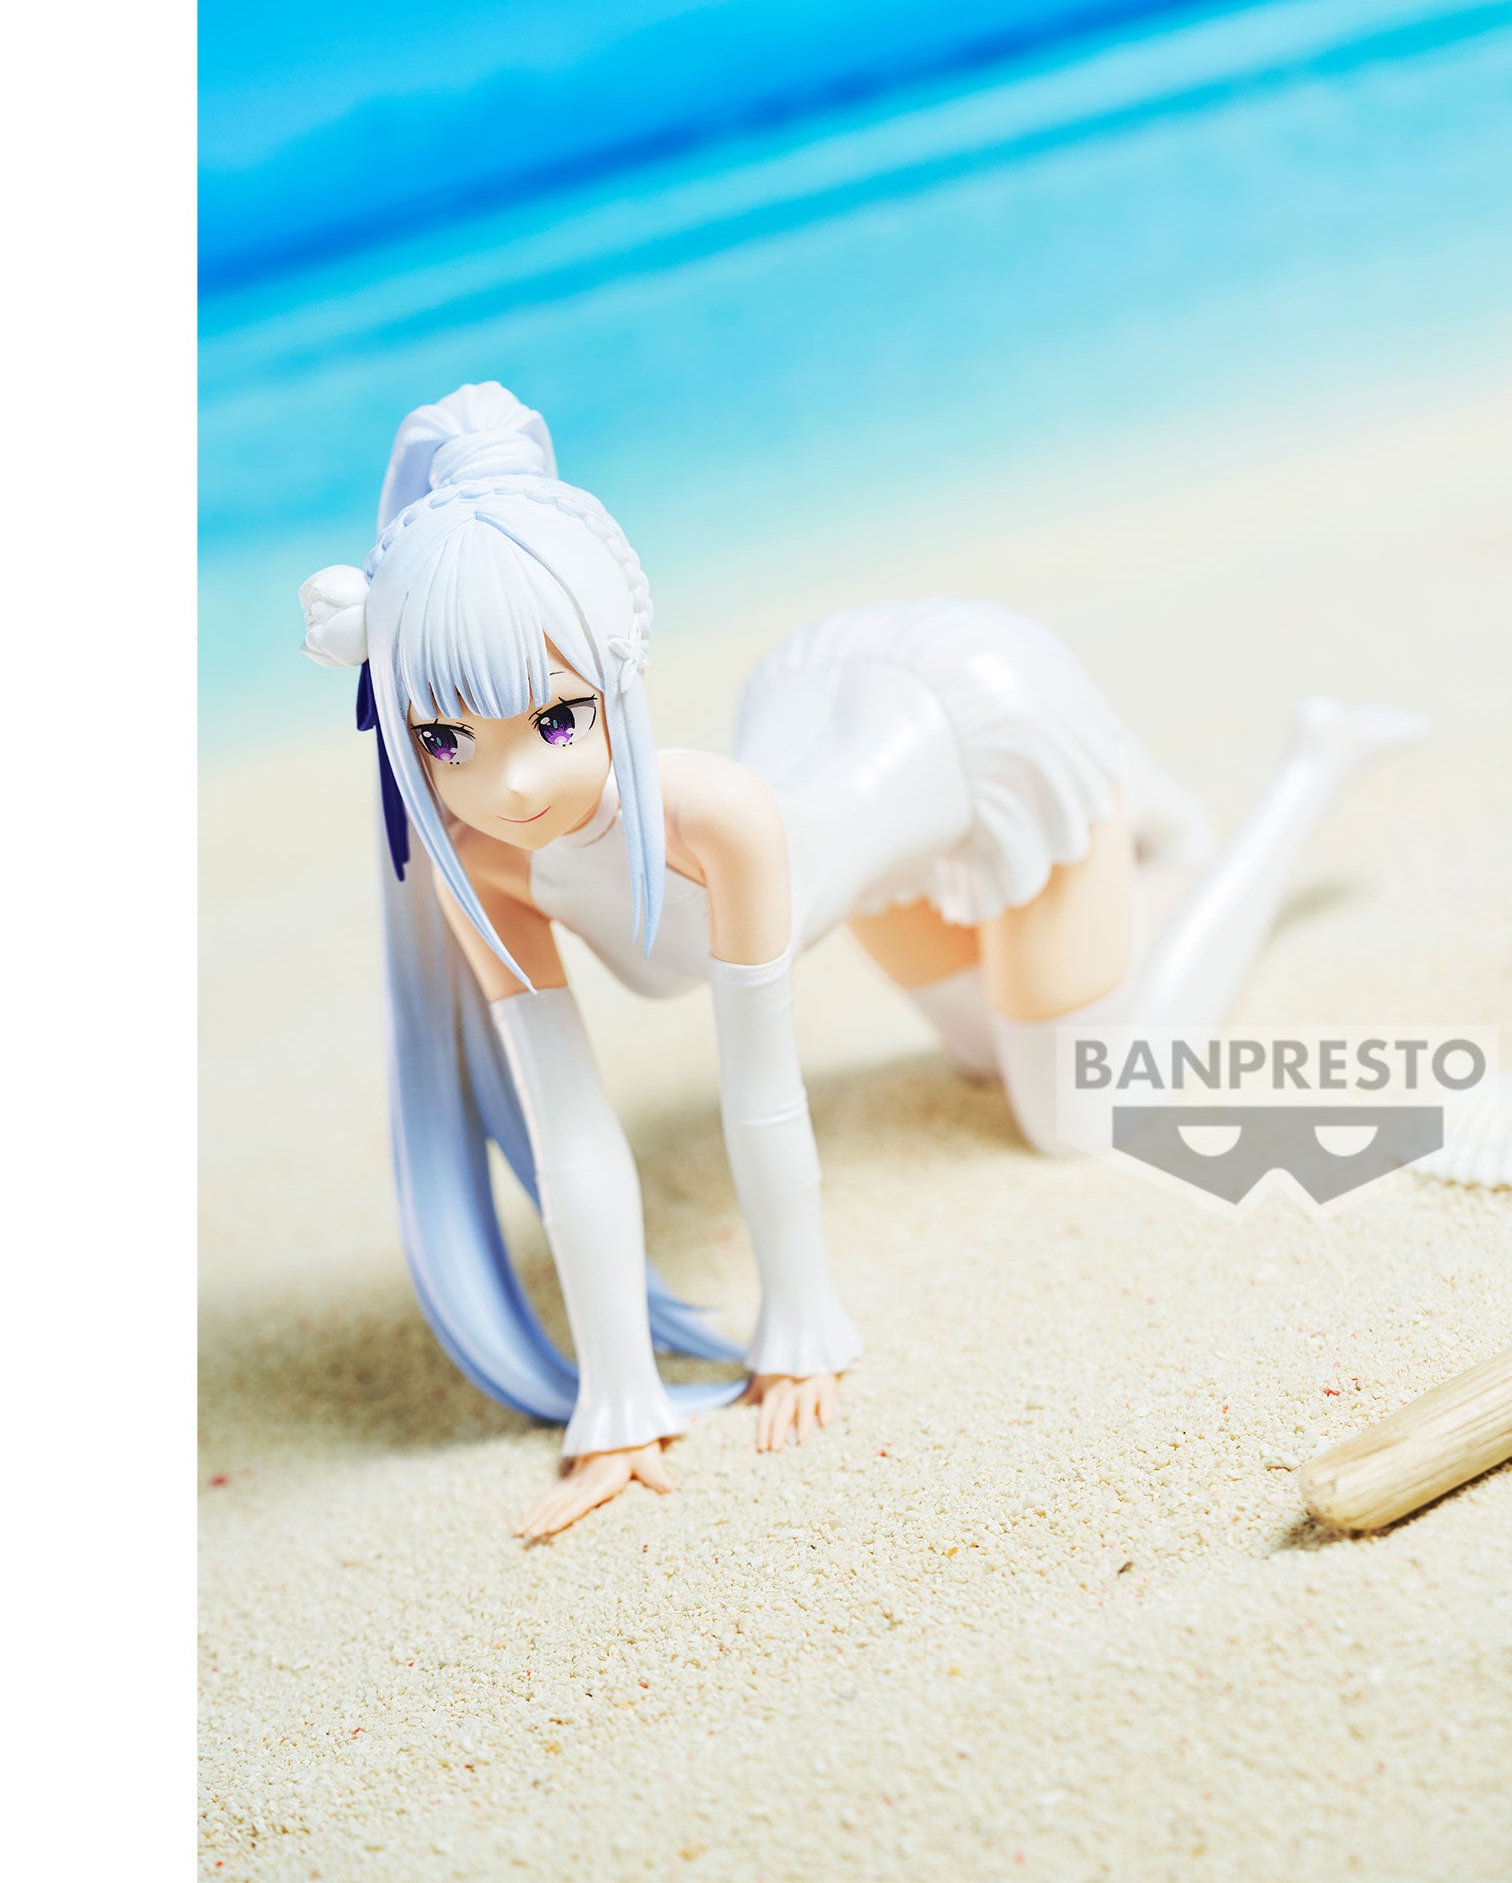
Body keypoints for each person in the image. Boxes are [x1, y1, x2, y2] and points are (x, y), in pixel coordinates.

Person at [299, 382, 1421, 1540]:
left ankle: (1301, 775)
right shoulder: (472, 861)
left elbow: (760, 1090)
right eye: (446, 739)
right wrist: (619, 1399)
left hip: (987, 723)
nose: (511, 786)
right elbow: (567, 1126)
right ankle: (1137, 823)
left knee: (1076, 1112)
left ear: (617, 673)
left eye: (555, 720)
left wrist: (800, 1323)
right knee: (988, 1055)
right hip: (853, 760)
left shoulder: (713, 820)